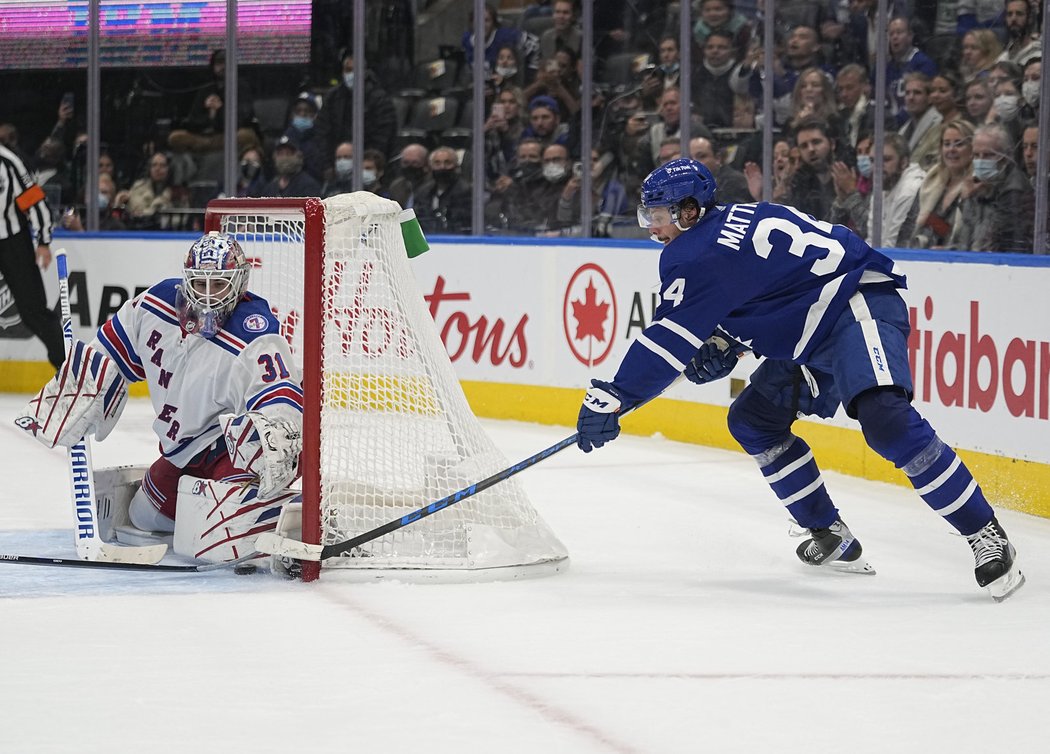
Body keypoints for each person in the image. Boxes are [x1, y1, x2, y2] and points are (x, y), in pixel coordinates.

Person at [574, 157, 1025, 602]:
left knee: (884, 418)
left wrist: (617, 396)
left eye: (658, 216)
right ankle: (830, 534)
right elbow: (773, 287)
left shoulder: (695, 252)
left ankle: (985, 531)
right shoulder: (731, 224)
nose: (651, 227)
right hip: (811, 325)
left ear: (689, 211)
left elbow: (668, 339)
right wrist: (729, 341)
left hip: (854, 302)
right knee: (753, 420)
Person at [16, 232, 304, 566]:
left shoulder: (255, 333)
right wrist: (79, 387)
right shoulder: (155, 305)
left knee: (214, 541)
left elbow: (281, 402)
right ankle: (216, 514)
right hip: (184, 451)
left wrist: (276, 442)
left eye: (219, 286)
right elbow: (107, 355)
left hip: (228, 449)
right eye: (200, 284)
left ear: (238, 285)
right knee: (143, 516)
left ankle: (290, 516)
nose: (208, 297)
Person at [0, 142, 65, 370]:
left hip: (12, 242)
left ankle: (68, 367)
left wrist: (43, 242)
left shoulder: (7, 161)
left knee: (33, 311)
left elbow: (33, 199)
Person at [948, 122, 1034, 252]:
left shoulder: (1014, 190)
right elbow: (966, 237)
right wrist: (967, 199)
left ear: (1006, 157)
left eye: (988, 155)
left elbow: (1003, 243)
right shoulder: (977, 184)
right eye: (976, 155)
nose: (981, 161)